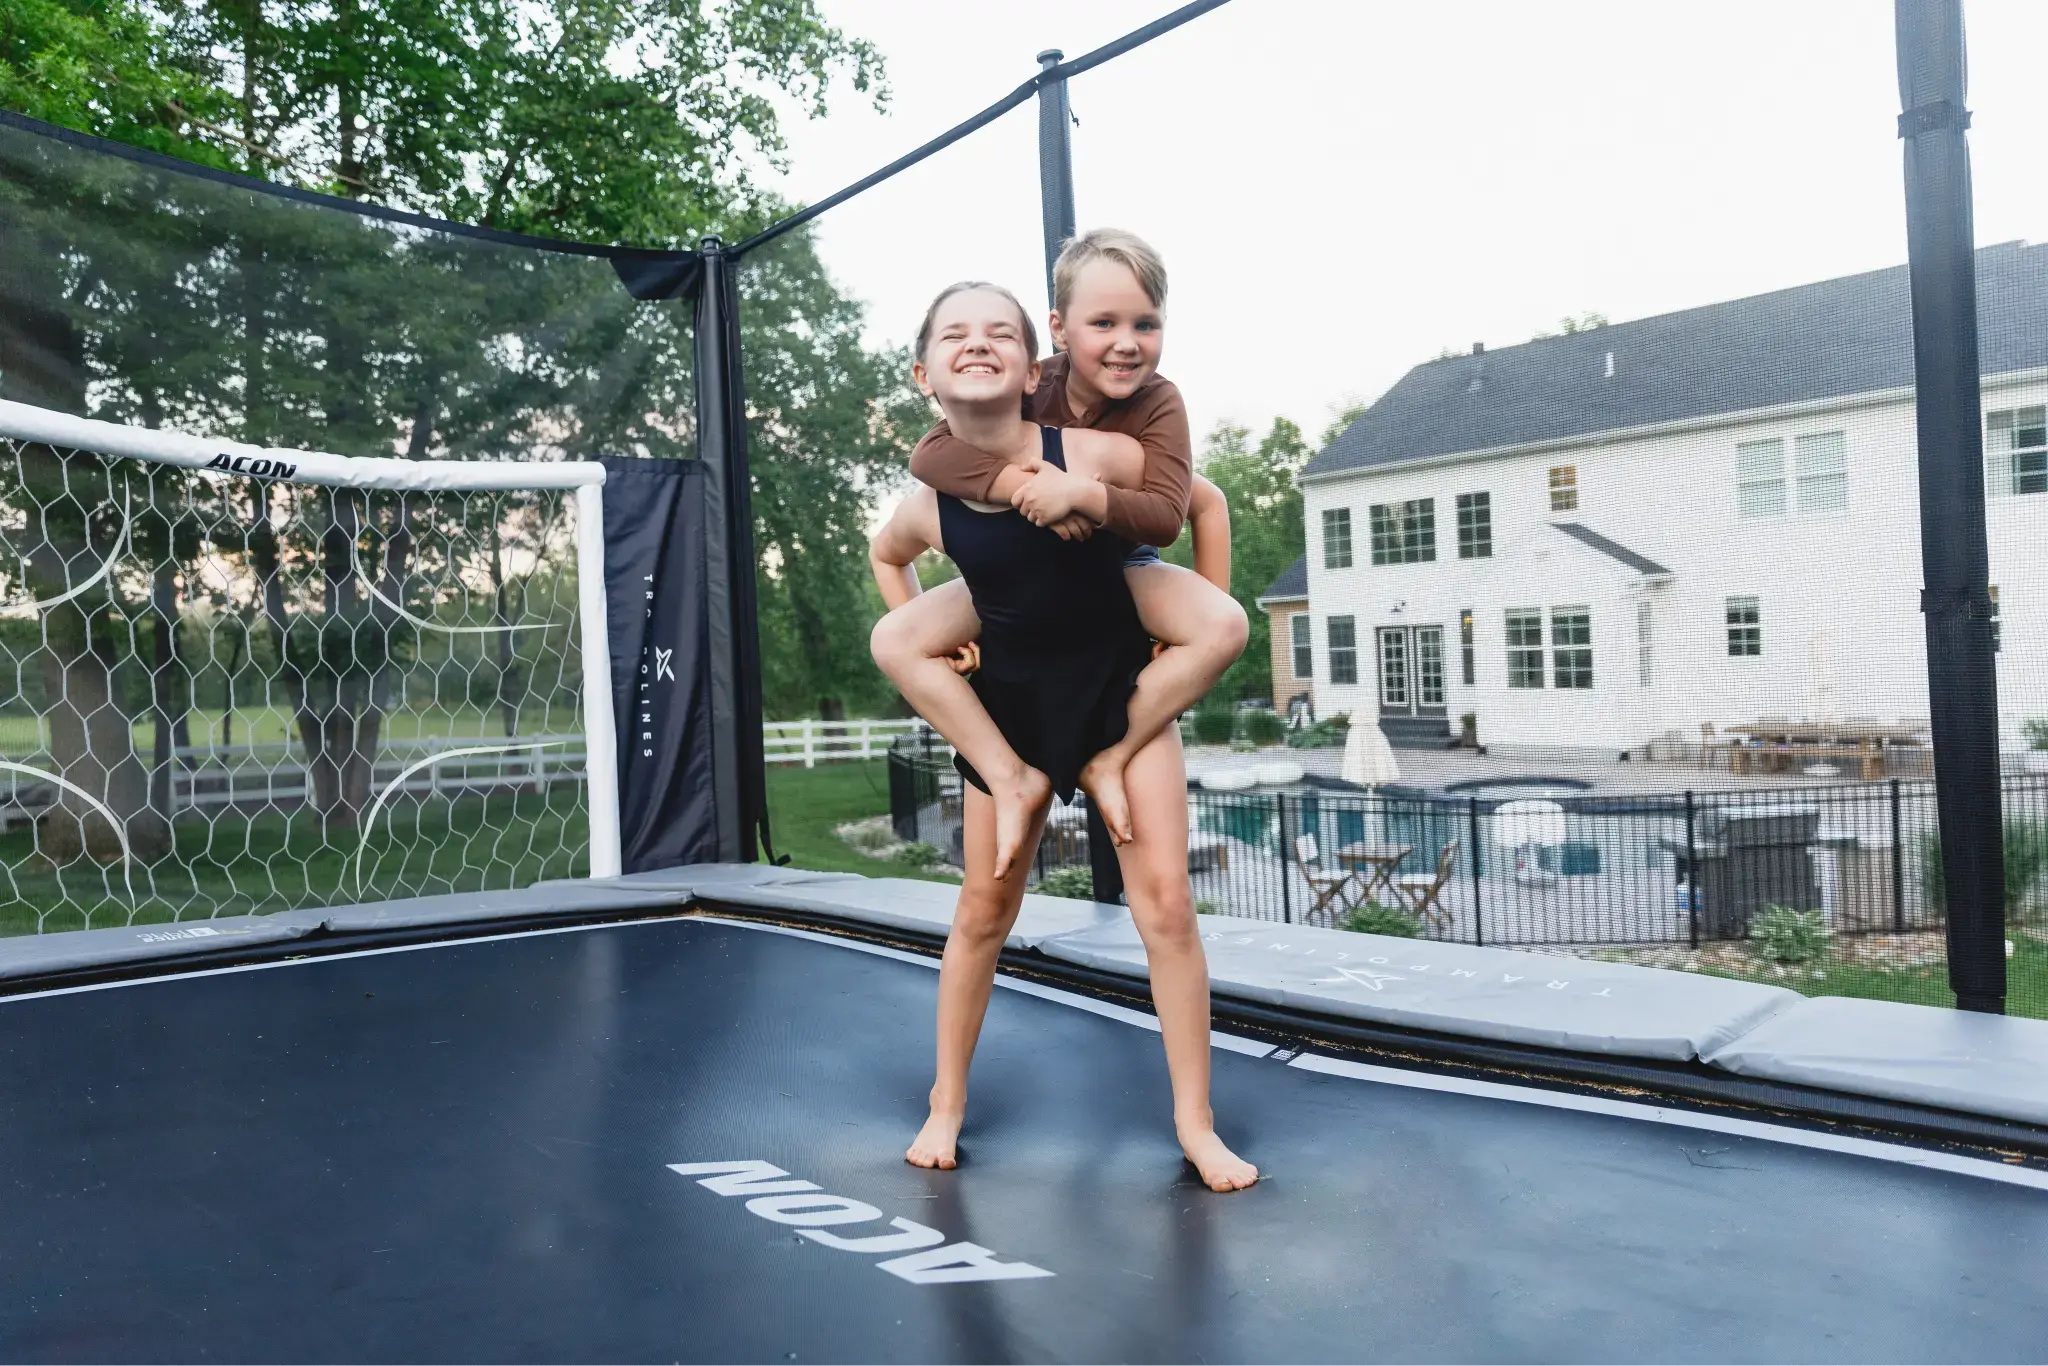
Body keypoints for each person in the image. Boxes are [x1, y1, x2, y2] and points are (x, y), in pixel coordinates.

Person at [869, 280, 1259, 1195]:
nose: (979, 343)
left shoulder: (1097, 448)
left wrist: (1171, 630)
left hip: (1114, 686)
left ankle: (1196, 1124)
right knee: (982, 911)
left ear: (1032, 364)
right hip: (1008, 701)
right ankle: (946, 1102)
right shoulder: (931, 491)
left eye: (998, 331)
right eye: (956, 336)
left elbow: (1192, 498)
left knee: (1165, 906)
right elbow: (890, 557)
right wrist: (950, 644)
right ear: (924, 373)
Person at [868, 230, 1247, 883]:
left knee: (1222, 624)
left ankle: (1110, 753)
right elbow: (929, 454)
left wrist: (1082, 493)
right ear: (1059, 334)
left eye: (1145, 324)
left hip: (1116, 571)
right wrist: (1021, 486)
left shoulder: (1158, 405)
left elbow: (1189, 508)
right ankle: (1005, 773)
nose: (1126, 341)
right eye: (1104, 322)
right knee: (895, 638)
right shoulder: (1034, 391)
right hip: (1017, 586)